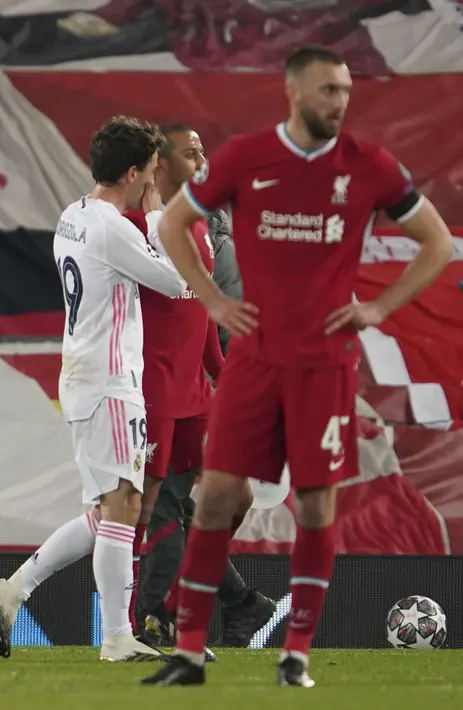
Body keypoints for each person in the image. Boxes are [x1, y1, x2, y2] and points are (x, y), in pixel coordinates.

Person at [142, 45, 453, 687]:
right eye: (327, 90)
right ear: (293, 92)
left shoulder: (369, 165)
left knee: (315, 506)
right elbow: (174, 224)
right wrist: (214, 300)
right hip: (255, 361)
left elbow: (439, 241)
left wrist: (379, 307)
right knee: (217, 499)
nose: (340, 101)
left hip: (326, 364)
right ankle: (191, 652)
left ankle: (297, 656)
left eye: (345, 90)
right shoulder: (245, 158)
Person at [0, 116, 186, 662]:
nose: (153, 184)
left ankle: (13, 590)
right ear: (136, 172)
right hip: (109, 379)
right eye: (152, 174)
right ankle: (116, 638)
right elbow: (176, 282)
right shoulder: (114, 227)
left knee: (107, 510)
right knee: (124, 505)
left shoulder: (73, 216)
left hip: (83, 372)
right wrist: (160, 212)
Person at [133, 125, 274, 649]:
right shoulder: (148, 223)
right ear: (161, 164)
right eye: (190, 153)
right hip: (159, 386)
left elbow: (223, 330)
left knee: (164, 502)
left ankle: (155, 619)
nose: (202, 161)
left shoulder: (213, 235)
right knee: (173, 506)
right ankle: (242, 603)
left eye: (203, 151)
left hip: (188, 391)